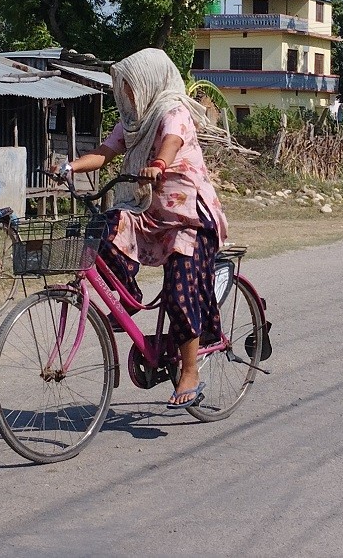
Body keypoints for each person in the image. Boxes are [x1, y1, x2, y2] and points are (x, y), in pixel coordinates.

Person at [60, 48, 230, 410]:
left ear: (150, 81)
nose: (129, 95)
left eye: (132, 87)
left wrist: (158, 163)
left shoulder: (173, 110)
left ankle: (189, 371)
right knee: (103, 230)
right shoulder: (133, 123)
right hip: (147, 211)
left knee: (180, 291)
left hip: (189, 218)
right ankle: (129, 296)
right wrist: (71, 167)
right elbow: (105, 152)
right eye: (124, 88)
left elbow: (172, 141)